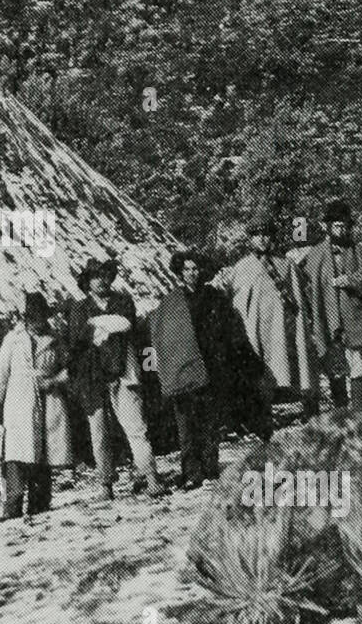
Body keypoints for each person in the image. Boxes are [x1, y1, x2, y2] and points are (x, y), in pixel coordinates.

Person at [68, 257, 166, 501]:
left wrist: (97, 325)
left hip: (124, 373)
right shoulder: (79, 309)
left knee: (136, 428)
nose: (100, 280)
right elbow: (77, 340)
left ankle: (151, 477)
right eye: (95, 277)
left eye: (104, 275)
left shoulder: (123, 301)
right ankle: (106, 484)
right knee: (99, 433)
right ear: (87, 282)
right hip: (93, 378)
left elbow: (127, 325)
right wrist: (100, 326)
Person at [227, 212, 319, 430]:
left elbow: (298, 299)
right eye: (257, 236)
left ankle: (309, 406)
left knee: (291, 366)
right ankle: (261, 415)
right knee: (258, 370)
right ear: (250, 239)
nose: (262, 239)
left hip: (281, 330)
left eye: (266, 235)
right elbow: (236, 302)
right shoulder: (242, 268)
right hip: (254, 330)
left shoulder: (285, 265)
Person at [150, 249, 232, 490]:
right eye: (186, 269)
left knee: (209, 420)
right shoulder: (171, 302)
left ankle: (210, 466)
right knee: (186, 423)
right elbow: (160, 338)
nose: (191, 273)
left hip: (210, 366)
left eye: (195, 269)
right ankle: (191, 470)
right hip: (183, 369)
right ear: (180, 272)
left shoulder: (213, 297)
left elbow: (225, 328)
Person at [0, 292, 72, 520]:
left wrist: (54, 381)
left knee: (42, 454)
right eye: (31, 317)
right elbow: (1, 374)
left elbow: (70, 369)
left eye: (40, 317)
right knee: (14, 456)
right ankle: (11, 507)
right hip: (18, 401)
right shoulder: (12, 339)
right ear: (25, 318)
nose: (35, 322)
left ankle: (39, 503)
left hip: (48, 401)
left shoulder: (55, 339)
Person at [302, 199, 362, 409]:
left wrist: (351, 281)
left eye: (345, 225)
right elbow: (306, 286)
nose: (342, 229)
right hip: (326, 318)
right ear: (328, 227)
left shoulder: (360, 251)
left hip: (354, 315)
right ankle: (340, 411)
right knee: (334, 365)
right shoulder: (315, 254)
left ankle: (358, 411)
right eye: (337, 225)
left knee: (358, 363)